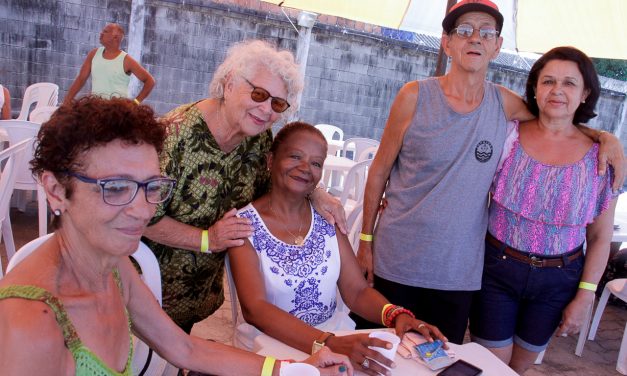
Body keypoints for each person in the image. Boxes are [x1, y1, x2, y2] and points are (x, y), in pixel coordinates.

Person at [0, 96, 352, 376]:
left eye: (152, 187)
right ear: (56, 190)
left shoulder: (112, 267)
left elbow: (185, 348)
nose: (143, 210)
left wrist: (293, 369)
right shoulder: (31, 321)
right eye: (117, 187)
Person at [355, 0, 625, 345]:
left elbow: (556, 116)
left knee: (439, 358)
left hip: (458, 273)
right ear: (446, 42)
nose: (475, 39)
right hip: (396, 258)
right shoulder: (413, 97)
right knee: (378, 350)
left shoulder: (504, 105)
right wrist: (366, 241)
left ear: (497, 47)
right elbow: (378, 172)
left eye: (487, 33)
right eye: (463, 30)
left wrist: (604, 137)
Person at [142, 40, 347, 333]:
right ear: (228, 84)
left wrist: (316, 192)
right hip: (143, 290)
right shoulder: (174, 136)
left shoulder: (258, 140)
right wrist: (206, 240)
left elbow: (274, 184)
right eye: (259, 94)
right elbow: (140, 217)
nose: (266, 110)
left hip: (194, 298)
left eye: (277, 103)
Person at [229, 122, 447, 376]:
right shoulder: (243, 226)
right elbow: (256, 310)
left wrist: (395, 315)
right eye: (295, 156)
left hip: (335, 342)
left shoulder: (328, 220)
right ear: (270, 160)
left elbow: (356, 291)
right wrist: (326, 342)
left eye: (316, 163)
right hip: (270, 350)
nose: (305, 169)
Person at [469, 46, 620, 374]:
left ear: (585, 94)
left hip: (559, 279)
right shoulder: (507, 133)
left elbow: (598, 237)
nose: (557, 90)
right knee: (492, 366)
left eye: (569, 83)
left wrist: (585, 296)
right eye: (548, 81)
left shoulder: (601, 158)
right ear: (535, 88)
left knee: (518, 368)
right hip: (497, 269)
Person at [64, 23, 155, 104]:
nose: (101, 33)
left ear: (115, 37)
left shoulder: (126, 60)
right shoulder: (94, 54)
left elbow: (150, 81)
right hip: (96, 109)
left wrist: (135, 103)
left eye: (105, 31)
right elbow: (81, 79)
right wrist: (67, 101)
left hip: (117, 113)